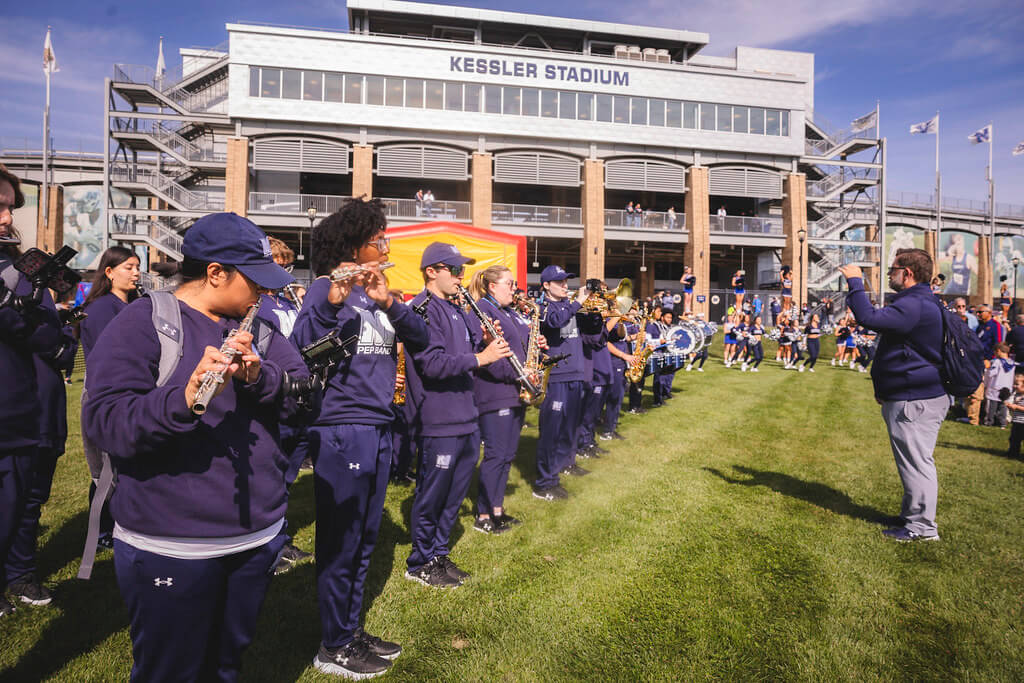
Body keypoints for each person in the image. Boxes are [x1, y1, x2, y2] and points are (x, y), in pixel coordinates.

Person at [82, 212, 310, 679]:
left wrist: (259, 377)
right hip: (171, 545)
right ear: (215, 273)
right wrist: (183, 400)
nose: (266, 293)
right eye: (256, 281)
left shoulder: (262, 327)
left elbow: (306, 397)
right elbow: (106, 423)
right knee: (170, 671)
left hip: (255, 536)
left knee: (226, 664)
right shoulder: (141, 323)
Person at [290, 199, 430, 677]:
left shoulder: (375, 295)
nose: (386, 246)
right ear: (352, 246)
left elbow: (422, 337)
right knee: (342, 540)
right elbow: (304, 348)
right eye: (379, 241)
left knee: (365, 540)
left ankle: (350, 630)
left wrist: (389, 299)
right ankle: (333, 646)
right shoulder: (326, 292)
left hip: (378, 426)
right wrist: (332, 304)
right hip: (342, 429)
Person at [403, 243, 511, 587]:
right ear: (431, 271)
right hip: (438, 417)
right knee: (432, 493)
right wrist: (483, 357)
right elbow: (432, 364)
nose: (461, 276)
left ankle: (438, 552)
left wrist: (481, 343)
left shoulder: (457, 310)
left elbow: (463, 356)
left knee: (453, 494)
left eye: (462, 270)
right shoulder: (420, 310)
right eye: (454, 269)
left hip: (466, 414)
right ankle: (419, 561)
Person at [840, 249, 947, 542]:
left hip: (915, 399)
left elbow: (869, 317)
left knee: (916, 463)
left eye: (892, 269)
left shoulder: (914, 303)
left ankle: (922, 528)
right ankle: (912, 517)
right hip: (913, 395)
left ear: (908, 274)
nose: (889, 274)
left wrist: (855, 282)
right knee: (915, 461)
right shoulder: (921, 301)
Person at [0, 167, 63, 618]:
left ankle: (16, 573)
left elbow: (45, 335)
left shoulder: (13, 272)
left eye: (9, 207)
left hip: (18, 418)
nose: (6, 218)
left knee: (19, 507)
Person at [79, 246, 142, 550]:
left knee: (124, 465)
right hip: (104, 395)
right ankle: (98, 534)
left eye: (137, 267)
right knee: (105, 473)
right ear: (109, 272)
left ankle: (120, 524)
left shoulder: (134, 304)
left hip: (130, 395)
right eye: (129, 267)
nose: (136, 273)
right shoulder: (102, 308)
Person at [469, 266, 535, 534]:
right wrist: (518, 376)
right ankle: (483, 514)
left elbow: (519, 346)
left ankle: (497, 509)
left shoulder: (508, 312)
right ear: (492, 285)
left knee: (507, 455)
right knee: (496, 455)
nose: (514, 288)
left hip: (514, 392)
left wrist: (535, 342)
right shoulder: (482, 310)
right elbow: (487, 357)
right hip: (495, 392)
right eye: (510, 283)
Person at [533, 266, 600, 499]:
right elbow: (555, 322)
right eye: (559, 282)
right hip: (557, 375)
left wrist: (596, 309)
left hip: (575, 373)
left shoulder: (569, 305)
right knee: (552, 430)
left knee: (571, 426)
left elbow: (593, 331)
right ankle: (544, 481)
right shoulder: (543, 308)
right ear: (546, 286)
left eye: (566, 281)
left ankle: (565, 463)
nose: (565, 285)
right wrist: (578, 302)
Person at [983, 344, 1013, 427]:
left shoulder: (996, 362)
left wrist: (987, 370)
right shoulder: (1012, 363)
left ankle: (989, 422)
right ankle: (1002, 424)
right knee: (1003, 407)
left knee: (991, 407)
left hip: (994, 387)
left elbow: (991, 374)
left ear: (998, 351)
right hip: (1006, 388)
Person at [1005, 372, 1024, 457]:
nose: (1014, 386)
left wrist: (1016, 407)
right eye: (1014, 384)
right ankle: (1013, 453)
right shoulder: (1016, 395)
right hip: (1016, 421)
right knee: (1014, 439)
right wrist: (1009, 406)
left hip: (1023, 422)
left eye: (1017, 384)